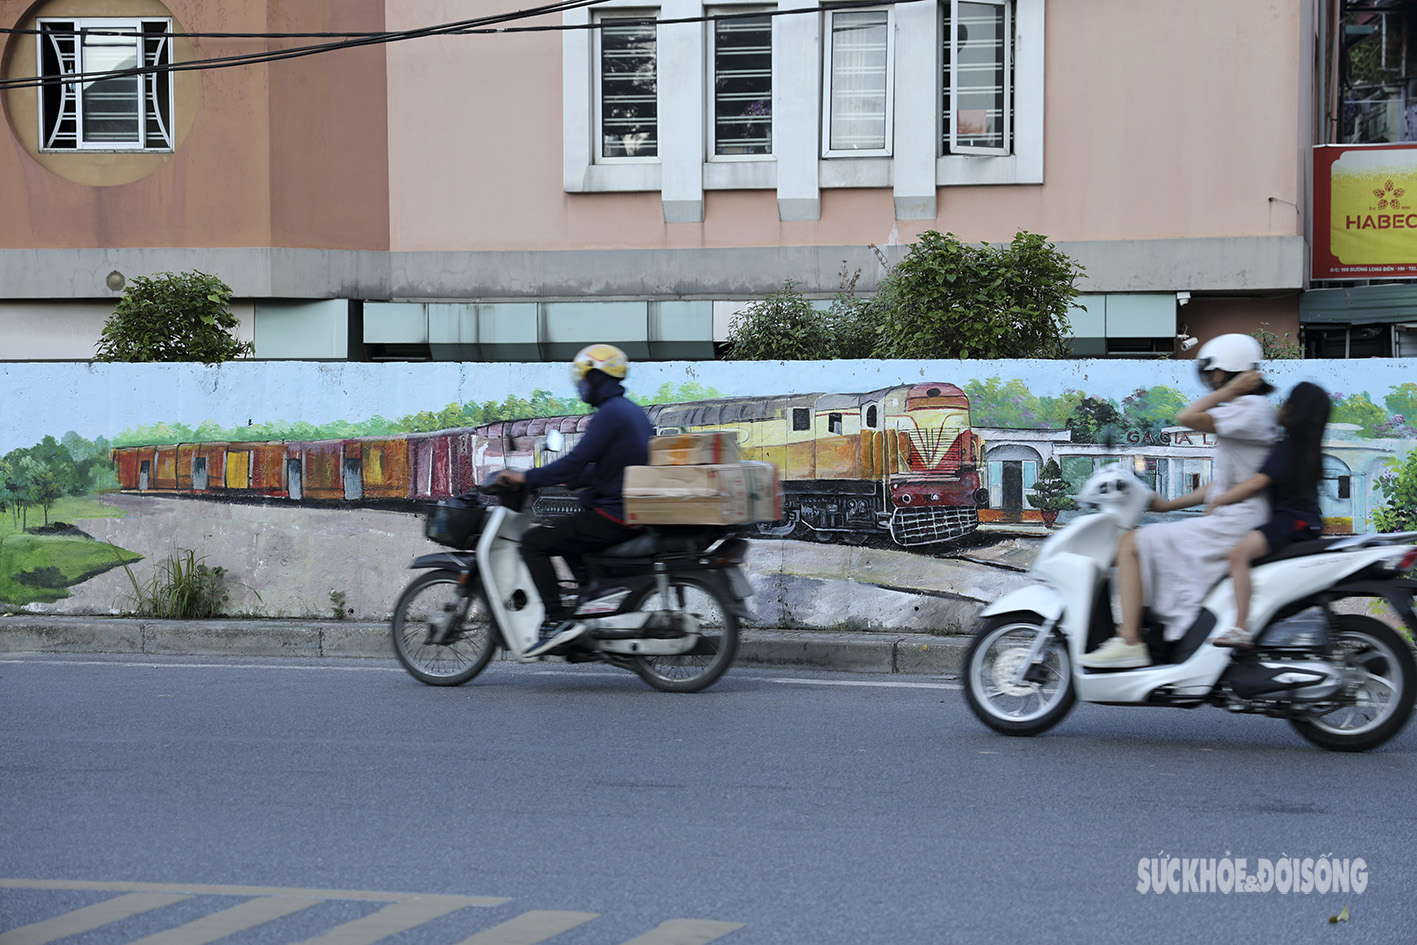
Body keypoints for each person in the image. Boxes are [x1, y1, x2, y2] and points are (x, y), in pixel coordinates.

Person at [1081, 334, 1279, 669]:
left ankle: (1129, 640)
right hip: (1236, 519)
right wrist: (1167, 505)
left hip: (1237, 523)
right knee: (1150, 545)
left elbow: (1187, 416)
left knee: (1130, 543)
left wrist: (1230, 391)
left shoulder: (1249, 408)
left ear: (1228, 371)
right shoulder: (1244, 411)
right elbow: (1221, 484)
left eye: (1214, 373)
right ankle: (1149, 634)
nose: (1210, 381)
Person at [496, 344, 653, 657]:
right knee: (566, 529)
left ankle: (555, 621)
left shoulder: (609, 415)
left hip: (615, 515)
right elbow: (603, 470)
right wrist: (570, 480)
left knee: (533, 542)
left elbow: (575, 462)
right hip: (627, 509)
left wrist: (526, 478)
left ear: (596, 378)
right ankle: (587, 608)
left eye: (583, 378)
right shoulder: (633, 412)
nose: (580, 385)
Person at [1208, 382, 1332, 648]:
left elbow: (1257, 482)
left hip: (1291, 522)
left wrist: (1221, 499)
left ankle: (1240, 627)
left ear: (1295, 411)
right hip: (1304, 522)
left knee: (1237, 553)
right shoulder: (1307, 450)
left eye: (1288, 402)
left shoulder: (1288, 447)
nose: (1281, 406)